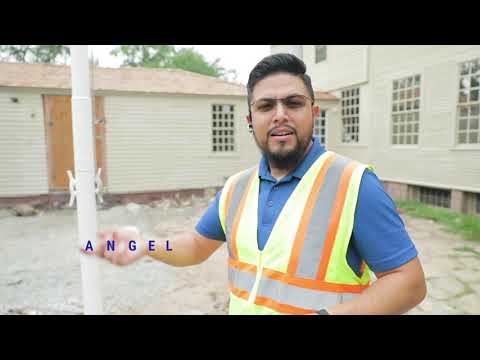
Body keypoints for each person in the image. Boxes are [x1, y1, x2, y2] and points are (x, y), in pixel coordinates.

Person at [85, 53, 427, 315]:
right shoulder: (236, 188)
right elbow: (194, 246)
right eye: (266, 106)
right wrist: (141, 246)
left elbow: (409, 283)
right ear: (251, 120)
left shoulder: (355, 184)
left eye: (293, 103)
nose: (280, 114)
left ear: (314, 113)